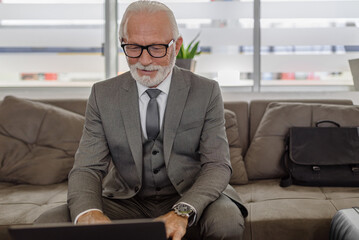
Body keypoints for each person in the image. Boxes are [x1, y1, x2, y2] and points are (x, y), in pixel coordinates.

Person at [36, 1, 248, 239]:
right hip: (126, 200)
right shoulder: (102, 94)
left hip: (191, 195)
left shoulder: (206, 91)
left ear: (176, 45)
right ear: (122, 44)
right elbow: (87, 167)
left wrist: (183, 210)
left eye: (157, 48)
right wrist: (89, 212)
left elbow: (217, 165)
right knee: (49, 222)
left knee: (227, 222)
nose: (145, 61)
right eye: (134, 47)